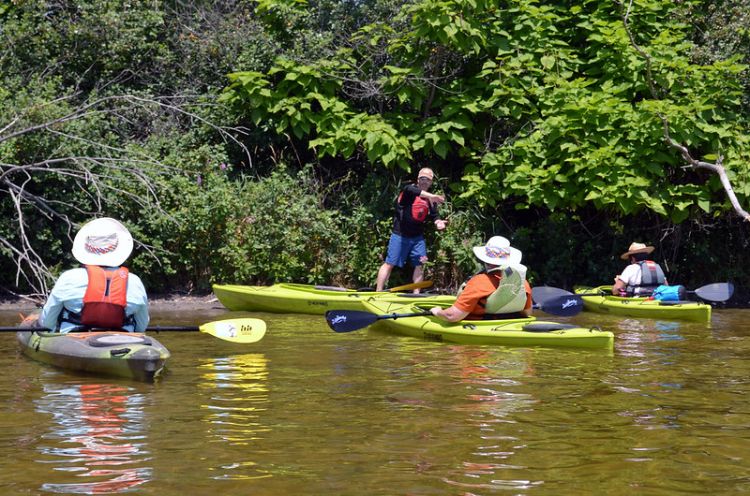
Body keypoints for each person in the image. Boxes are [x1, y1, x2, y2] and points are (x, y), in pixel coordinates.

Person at [37, 217, 149, 333]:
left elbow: (47, 323)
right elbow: (142, 326)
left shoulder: (69, 278)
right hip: (122, 338)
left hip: (73, 340)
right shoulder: (135, 281)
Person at [375, 167, 447, 292]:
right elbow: (412, 190)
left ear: (431, 182)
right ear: (418, 179)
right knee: (389, 263)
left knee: (419, 265)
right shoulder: (409, 191)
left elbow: (434, 215)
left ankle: (416, 294)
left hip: (417, 238)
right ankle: (378, 291)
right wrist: (433, 196)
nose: (424, 182)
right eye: (422, 179)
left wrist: (438, 222)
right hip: (400, 235)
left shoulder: (431, 199)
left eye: (428, 180)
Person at [430, 236, 532, 322]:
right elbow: (527, 313)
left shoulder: (478, 282)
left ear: (485, 261)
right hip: (510, 327)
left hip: (480, 327)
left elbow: (452, 316)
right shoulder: (522, 283)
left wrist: (438, 311)